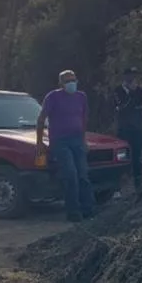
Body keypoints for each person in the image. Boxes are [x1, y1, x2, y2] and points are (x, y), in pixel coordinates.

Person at [37, 69, 95, 222]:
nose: (71, 83)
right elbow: (41, 119)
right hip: (60, 141)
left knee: (83, 174)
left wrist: (83, 140)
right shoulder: (52, 97)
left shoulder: (81, 97)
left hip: (77, 140)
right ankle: (73, 212)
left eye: (73, 80)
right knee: (70, 174)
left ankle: (89, 210)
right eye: (68, 81)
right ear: (61, 83)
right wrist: (39, 142)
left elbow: (83, 119)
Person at [113, 66, 142, 192]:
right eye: (130, 75)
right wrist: (131, 97)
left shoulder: (139, 90)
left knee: (137, 155)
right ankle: (121, 185)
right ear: (125, 76)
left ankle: (138, 183)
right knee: (123, 156)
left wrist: (134, 105)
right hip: (124, 129)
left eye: (133, 75)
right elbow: (121, 107)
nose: (132, 78)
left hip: (137, 127)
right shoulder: (118, 90)